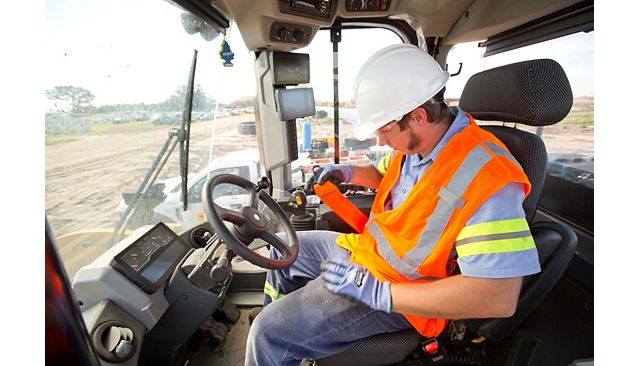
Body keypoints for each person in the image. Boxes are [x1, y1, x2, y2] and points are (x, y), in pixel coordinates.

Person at [245, 44, 541, 366]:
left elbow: (497, 296)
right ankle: (284, 320)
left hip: (401, 291)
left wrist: (377, 293)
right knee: (284, 248)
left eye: (384, 129)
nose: (380, 140)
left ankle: (278, 339)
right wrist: (346, 173)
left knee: (267, 333)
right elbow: (385, 173)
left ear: (418, 115)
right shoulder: (419, 145)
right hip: (367, 255)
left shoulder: (488, 177)